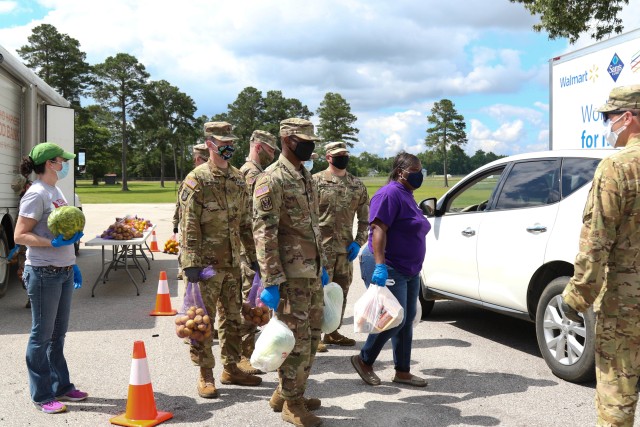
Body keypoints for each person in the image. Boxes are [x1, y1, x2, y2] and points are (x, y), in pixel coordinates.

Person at [560, 85, 640, 427]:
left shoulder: (617, 167)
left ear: (628, 117)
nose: (607, 125)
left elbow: (596, 242)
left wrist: (577, 296)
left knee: (617, 392)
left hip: (625, 304)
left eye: (609, 117)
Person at [253, 118, 329, 427]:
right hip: (289, 277)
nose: (310, 145)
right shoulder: (271, 178)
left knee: (312, 337)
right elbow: (264, 232)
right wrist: (271, 279)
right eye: (303, 139)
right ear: (287, 140)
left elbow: (313, 226)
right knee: (296, 341)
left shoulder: (304, 176)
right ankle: (292, 404)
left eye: (312, 140)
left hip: (311, 273)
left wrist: (322, 264)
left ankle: (286, 393)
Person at [179, 122, 262, 399]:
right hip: (205, 265)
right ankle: (205, 373)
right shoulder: (197, 179)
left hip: (232, 262)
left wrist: (254, 256)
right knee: (204, 321)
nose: (229, 147)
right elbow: (189, 223)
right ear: (210, 144)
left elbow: (247, 223)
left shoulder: (239, 179)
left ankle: (231, 367)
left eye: (231, 142)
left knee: (232, 318)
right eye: (223, 143)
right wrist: (190, 262)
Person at [14, 142, 85, 414]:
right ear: (49, 164)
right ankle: (42, 395)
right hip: (44, 273)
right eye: (60, 160)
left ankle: (61, 386)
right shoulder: (36, 194)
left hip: (64, 271)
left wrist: (72, 261)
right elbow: (20, 235)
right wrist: (52, 244)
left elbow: (65, 230)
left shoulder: (56, 190)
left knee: (58, 335)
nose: (64, 164)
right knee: (41, 337)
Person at [351, 151, 431, 388]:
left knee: (406, 322)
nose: (419, 176)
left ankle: (402, 371)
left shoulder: (407, 194)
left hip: (409, 268)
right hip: (389, 265)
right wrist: (379, 265)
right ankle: (364, 360)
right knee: (394, 317)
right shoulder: (389, 194)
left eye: (420, 171)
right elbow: (378, 230)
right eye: (415, 172)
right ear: (400, 172)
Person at [313, 142, 369, 350]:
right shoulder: (316, 181)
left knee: (341, 293)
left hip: (346, 250)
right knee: (319, 293)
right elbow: (307, 218)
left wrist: (358, 242)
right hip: (322, 250)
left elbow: (366, 219)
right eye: (338, 154)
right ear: (328, 157)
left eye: (345, 154)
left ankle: (333, 331)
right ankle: (315, 335)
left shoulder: (356, 185)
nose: (342, 157)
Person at [238, 129, 278, 374]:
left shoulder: (253, 173)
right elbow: (248, 218)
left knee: (252, 300)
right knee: (249, 301)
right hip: (251, 249)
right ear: (260, 146)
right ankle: (243, 355)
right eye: (272, 149)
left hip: (253, 248)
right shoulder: (252, 174)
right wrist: (255, 256)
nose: (273, 154)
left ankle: (248, 350)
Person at [173, 143, 209, 281]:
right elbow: (181, 205)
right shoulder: (192, 179)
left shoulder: (196, 178)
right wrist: (176, 222)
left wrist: (175, 222)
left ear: (198, 158)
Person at [10, 173, 32, 308]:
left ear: (26, 185)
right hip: (25, 243)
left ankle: (33, 298)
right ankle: (32, 297)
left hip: (33, 243)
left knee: (27, 272)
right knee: (23, 273)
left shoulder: (33, 197)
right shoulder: (24, 197)